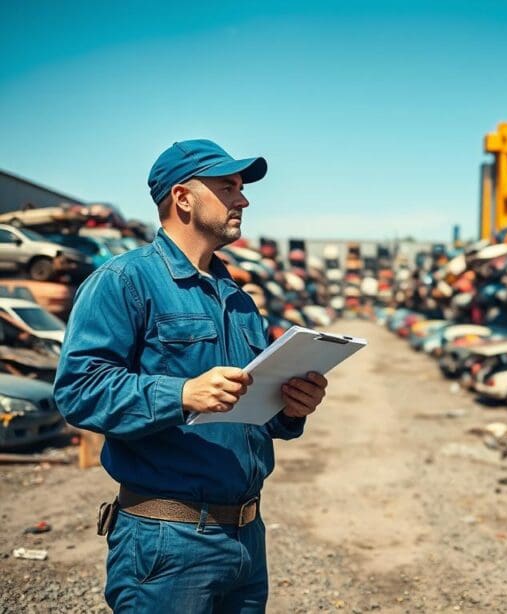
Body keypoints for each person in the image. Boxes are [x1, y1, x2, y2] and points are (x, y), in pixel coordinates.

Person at [53, 139, 328, 613]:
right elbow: (78, 391)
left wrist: (292, 405)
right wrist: (182, 393)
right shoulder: (124, 282)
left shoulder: (238, 300)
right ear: (182, 197)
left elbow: (255, 411)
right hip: (167, 543)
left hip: (245, 538)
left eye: (241, 188)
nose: (243, 199)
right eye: (228, 187)